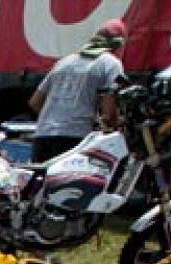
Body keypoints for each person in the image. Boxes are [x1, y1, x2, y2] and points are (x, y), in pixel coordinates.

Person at [29, 17, 126, 163]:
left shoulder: (64, 62)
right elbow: (108, 114)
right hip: (75, 139)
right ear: (118, 44)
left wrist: (57, 119)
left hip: (42, 136)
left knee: (42, 184)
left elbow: (35, 102)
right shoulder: (110, 64)